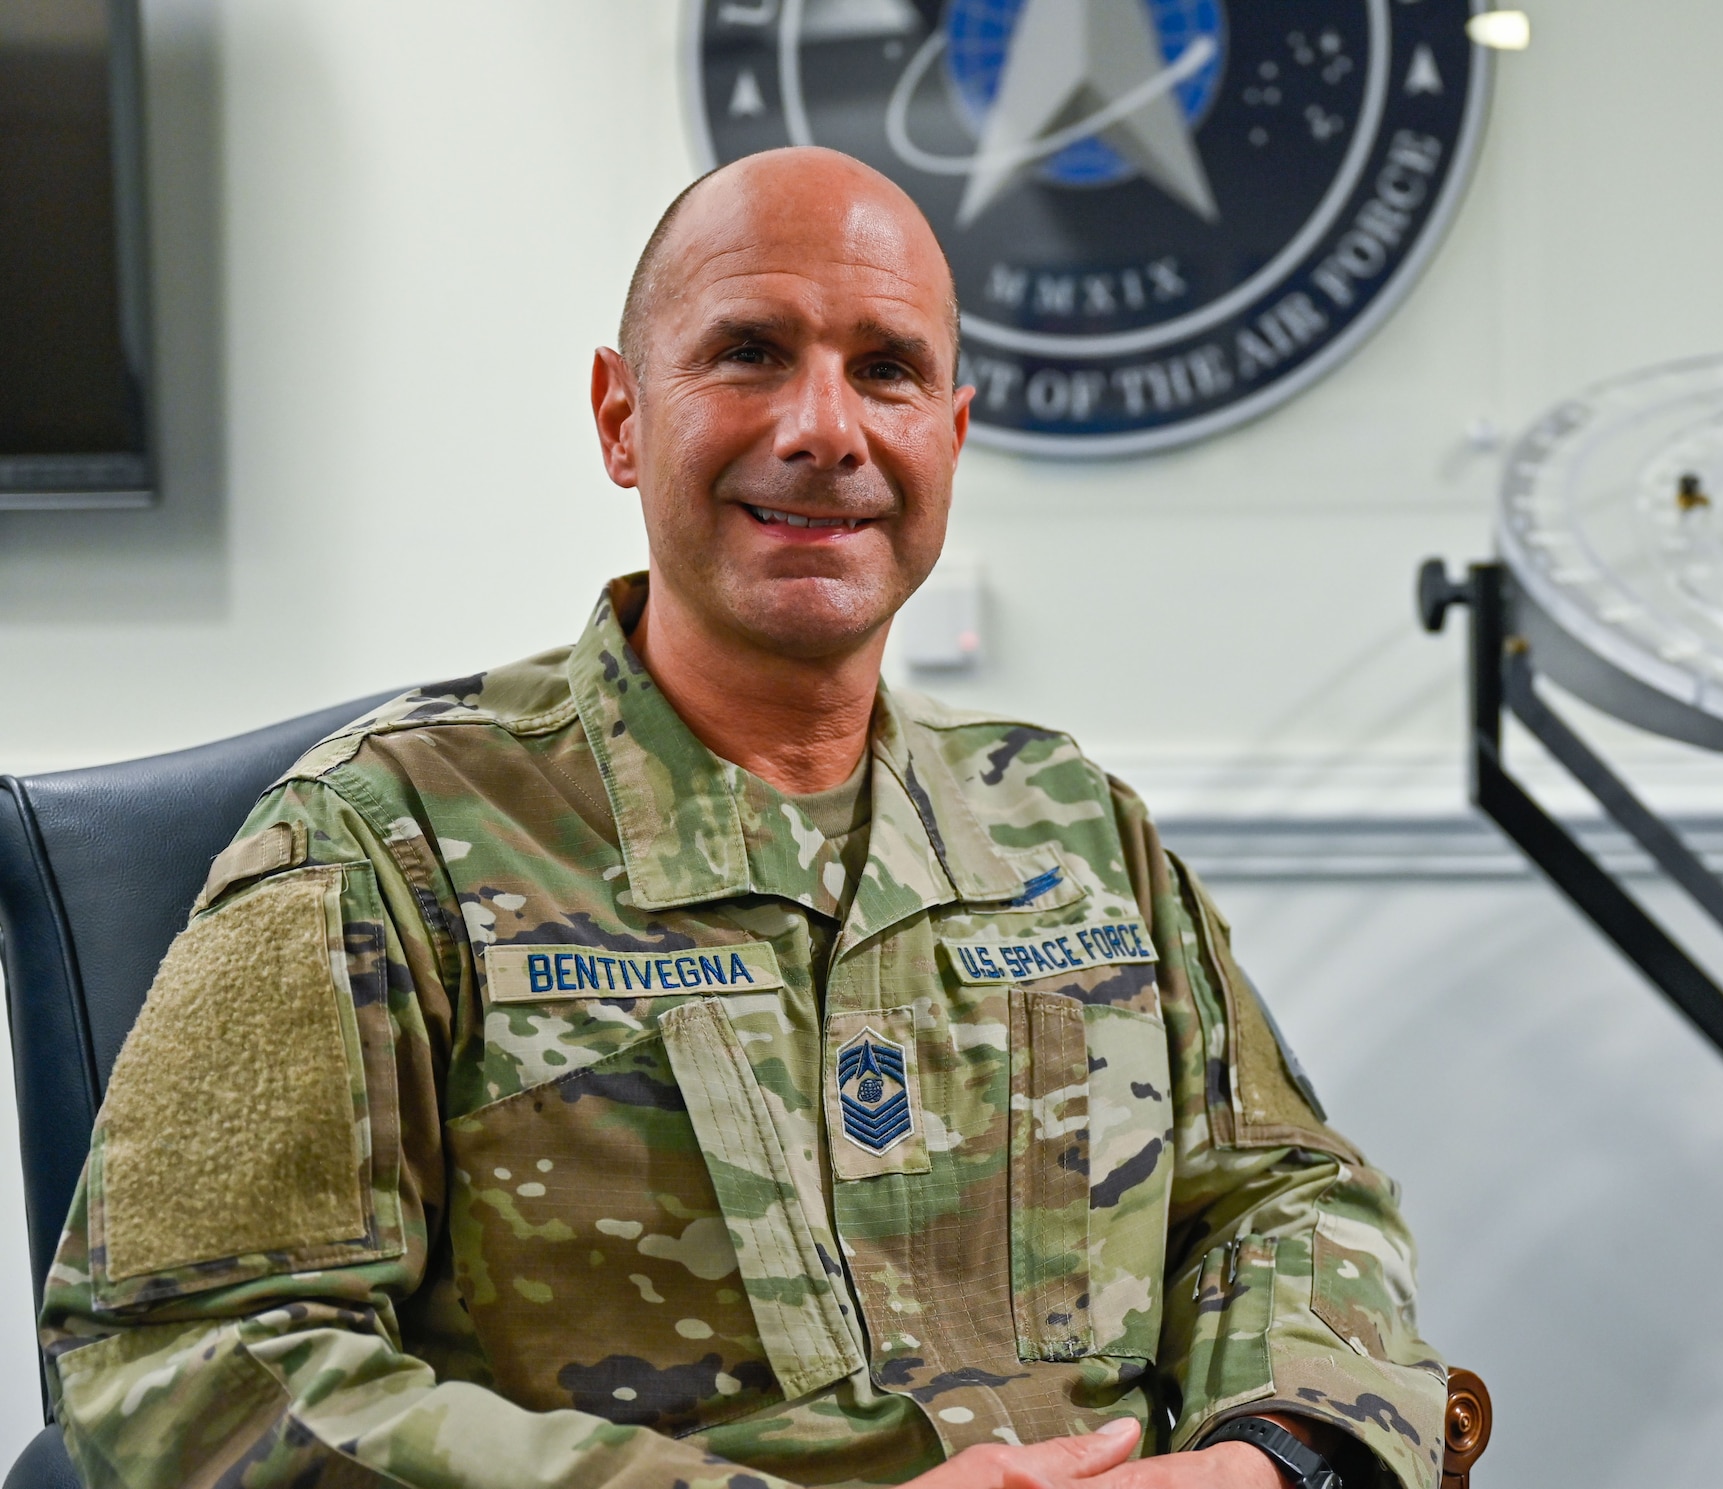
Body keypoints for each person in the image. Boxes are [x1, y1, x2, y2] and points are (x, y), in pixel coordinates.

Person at [40, 147, 1445, 1489]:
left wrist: (1271, 1457)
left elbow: (1288, 1202)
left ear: (948, 440)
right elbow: (186, 1364)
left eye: (886, 372)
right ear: (620, 415)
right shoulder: (379, 843)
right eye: (749, 352)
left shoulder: (1071, 826)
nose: (825, 429)